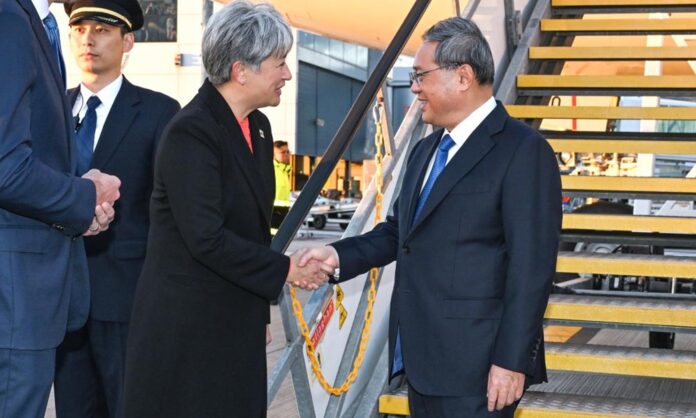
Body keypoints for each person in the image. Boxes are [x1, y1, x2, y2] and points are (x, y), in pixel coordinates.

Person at [298, 17, 562, 417]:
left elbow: (532, 269)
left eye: (421, 75)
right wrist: (337, 256)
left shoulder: (523, 151)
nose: (414, 87)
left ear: (463, 77)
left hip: (479, 369)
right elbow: (399, 233)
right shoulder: (425, 151)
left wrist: (511, 362)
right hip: (421, 362)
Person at [120, 2, 329, 417]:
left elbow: (251, 231)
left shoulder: (259, 128)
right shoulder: (191, 132)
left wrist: (258, 313)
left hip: (235, 321)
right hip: (188, 333)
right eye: (279, 63)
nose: (287, 74)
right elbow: (207, 238)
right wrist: (286, 270)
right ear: (241, 71)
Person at [52, 1, 181, 417]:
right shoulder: (49, 110)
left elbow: (169, 212)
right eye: (79, 29)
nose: (88, 39)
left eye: (102, 30)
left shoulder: (160, 112)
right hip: (59, 298)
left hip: (128, 300)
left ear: (127, 42)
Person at [0, 0, 120, 417]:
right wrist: (84, 197)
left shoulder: (34, 22)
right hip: (15, 297)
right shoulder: (11, 20)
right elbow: (6, 166)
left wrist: (79, 205)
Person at [272, 140, 292, 229]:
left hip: (284, 212)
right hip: (273, 211)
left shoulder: (284, 171)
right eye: (283, 152)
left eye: (288, 152)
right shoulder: (271, 170)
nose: (287, 154)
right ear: (274, 154)